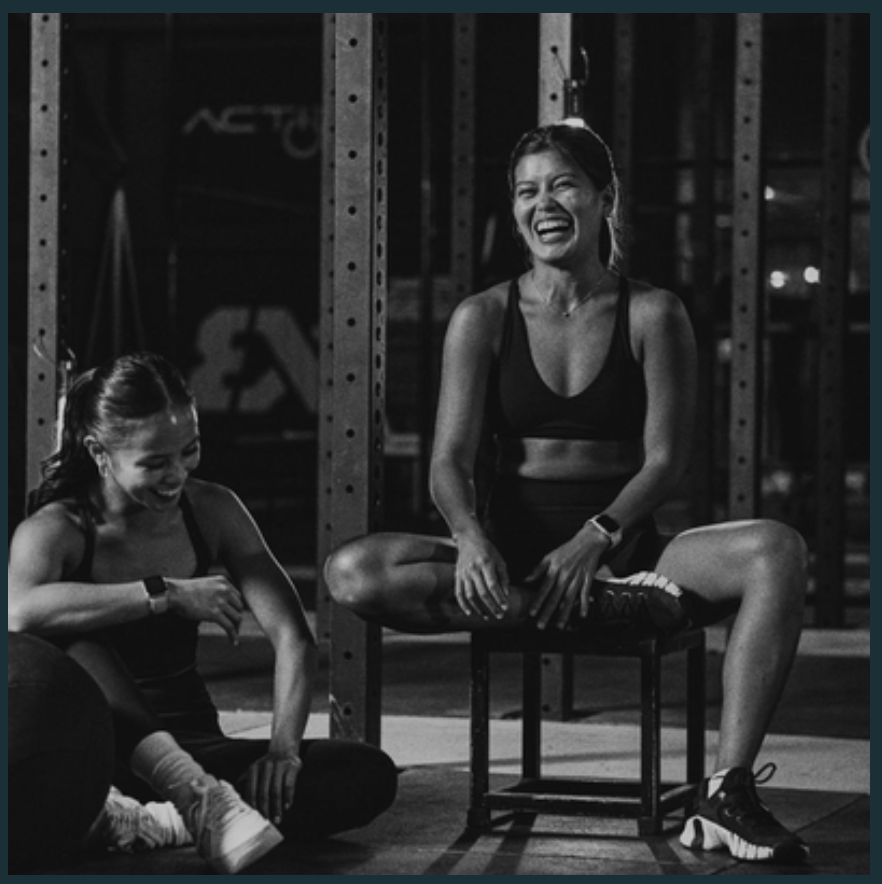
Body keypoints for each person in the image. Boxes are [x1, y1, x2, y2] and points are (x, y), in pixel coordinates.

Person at [324, 120, 809, 865]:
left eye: (562, 185)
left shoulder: (654, 313)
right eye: (526, 191)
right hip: (512, 558)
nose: (542, 203)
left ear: (603, 198)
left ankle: (726, 794)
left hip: (631, 549)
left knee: (777, 550)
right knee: (352, 571)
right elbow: (447, 460)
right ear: (513, 210)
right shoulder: (481, 317)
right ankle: (598, 604)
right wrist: (473, 537)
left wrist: (599, 538)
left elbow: (665, 460)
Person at [8, 351, 398, 874]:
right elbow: (19, 613)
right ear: (99, 452)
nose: (176, 475)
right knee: (73, 638)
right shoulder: (57, 527)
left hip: (199, 748)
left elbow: (292, 637)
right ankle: (181, 802)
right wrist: (165, 592)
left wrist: (284, 752)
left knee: (363, 773)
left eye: (188, 452)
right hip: (93, 752)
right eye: (153, 462)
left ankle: (161, 816)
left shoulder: (213, 509)